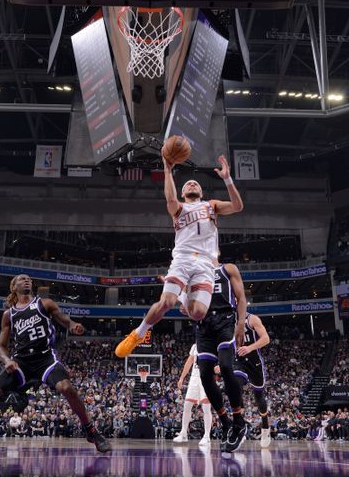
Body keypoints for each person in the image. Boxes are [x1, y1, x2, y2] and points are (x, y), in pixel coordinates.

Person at [0, 274, 111, 455]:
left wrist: (72, 325)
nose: (27, 280)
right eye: (22, 278)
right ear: (14, 287)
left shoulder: (44, 303)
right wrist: (7, 360)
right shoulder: (9, 314)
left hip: (45, 357)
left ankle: (91, 431)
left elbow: (63, 318)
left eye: (29, 278)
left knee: (66, 387)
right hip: (21, 361)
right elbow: (1, 347)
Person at [115, 154, 243, 356]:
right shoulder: (179, 208)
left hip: (205, 264)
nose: (192, 184)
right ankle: (137, 334)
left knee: (198, 313)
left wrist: (227, 179)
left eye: (195, 184)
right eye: (188, 185)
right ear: (183, 192)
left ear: (201, 191)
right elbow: (170, 198)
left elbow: (237, 206)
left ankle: (183, 294)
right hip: (183, 258)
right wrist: (167, 170)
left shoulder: (211, 206)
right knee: (166, 302)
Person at [191, 262, 248, 456]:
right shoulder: (195, 273)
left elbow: (241, 297)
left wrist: (241, 322)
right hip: (203, 324)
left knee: (225, 366)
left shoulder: (228, 268)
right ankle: (226, 423)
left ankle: (239, 421)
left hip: (225, 320)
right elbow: (189, 303)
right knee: (205, 374)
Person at [234, 312, 272, 448]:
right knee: (235, 388)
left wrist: (249, 348)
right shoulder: (228, 320)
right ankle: (240, 428)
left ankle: (266, 427)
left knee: (258, 396)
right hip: (238, 361)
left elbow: (266, 339)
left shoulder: (252, 319)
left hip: (254, 361)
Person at [174, 343, 213, 447]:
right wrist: (182, 378)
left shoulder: (213, 343)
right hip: (194, 377)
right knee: (187, 406)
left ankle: (207, 436)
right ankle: (183, 433)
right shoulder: (195, 346)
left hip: (207, 377)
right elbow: (189, 361)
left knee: (206, 408)